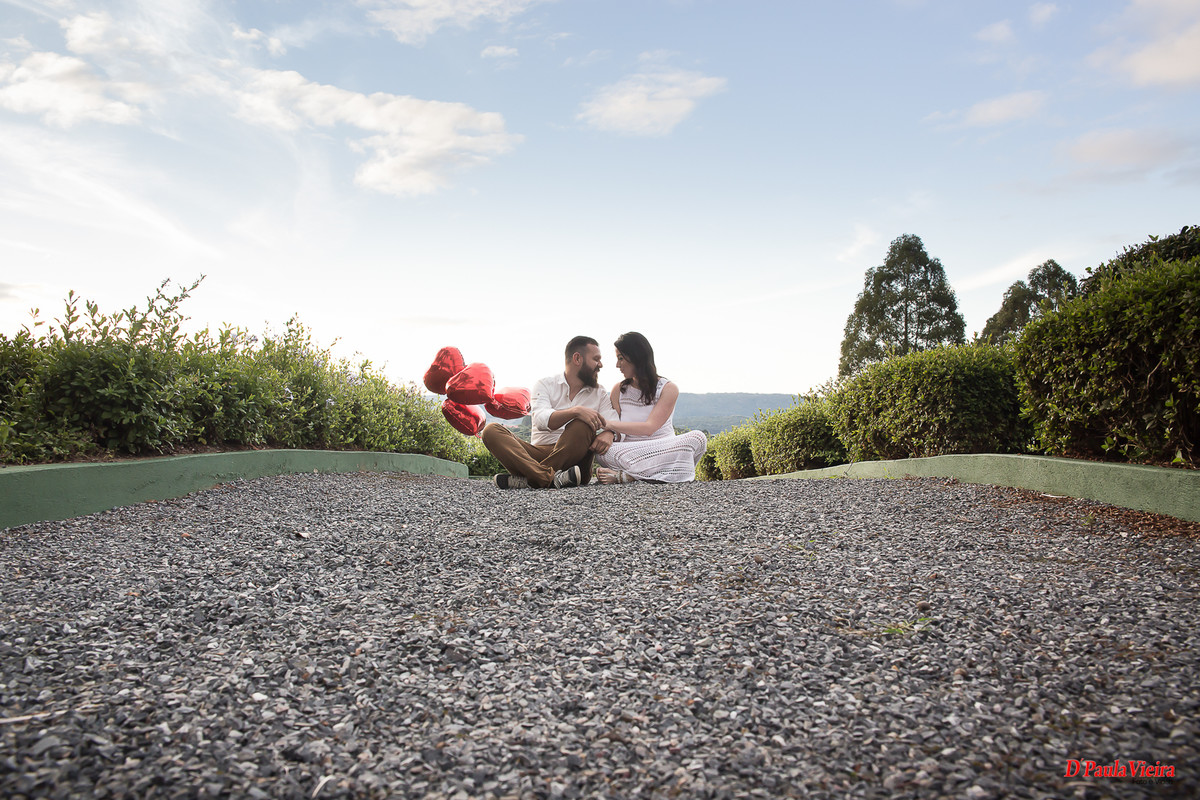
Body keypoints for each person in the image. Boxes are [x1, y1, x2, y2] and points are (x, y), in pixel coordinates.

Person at [481, 336, 618, 489]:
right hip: (540, 453)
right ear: (577, 359)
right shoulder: (545, 385)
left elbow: (615, 423)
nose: (601, 365)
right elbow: (541, 421)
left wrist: (610, 433)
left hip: (576, 461)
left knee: (582, 425)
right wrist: (575, 411)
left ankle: (531, 478)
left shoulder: (599, 393)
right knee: (490, 431)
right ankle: (548, 478)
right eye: (596, 359)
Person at [594, 332, 707, 484]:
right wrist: (608, 433)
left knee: (697, 438)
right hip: (630, 450)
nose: (617, 365)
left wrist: (607, 424)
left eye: (621, 358)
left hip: (664, 448)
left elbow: (649, 428)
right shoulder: (618, 390)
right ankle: (655, 473)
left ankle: (629, 475)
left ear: (636, 357)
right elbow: (618, 434)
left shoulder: (668, 388)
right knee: (603, 452)